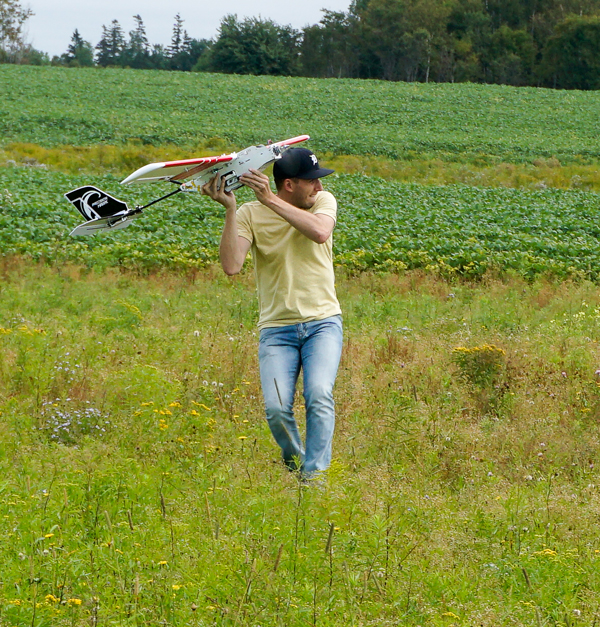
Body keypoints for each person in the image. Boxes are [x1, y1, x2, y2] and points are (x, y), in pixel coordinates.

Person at [201, 147, 343, 479]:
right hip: (277, 329)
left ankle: (314, 478)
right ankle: (298, 466)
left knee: (319, 395)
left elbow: (320, 233)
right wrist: (231, 209)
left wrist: (269, 200)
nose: (319, 188)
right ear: (290, 184)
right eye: (312, 182)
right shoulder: (252, 214)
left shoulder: (323, 203)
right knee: (277, 410)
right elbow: (231, 265)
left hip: (323, 323)